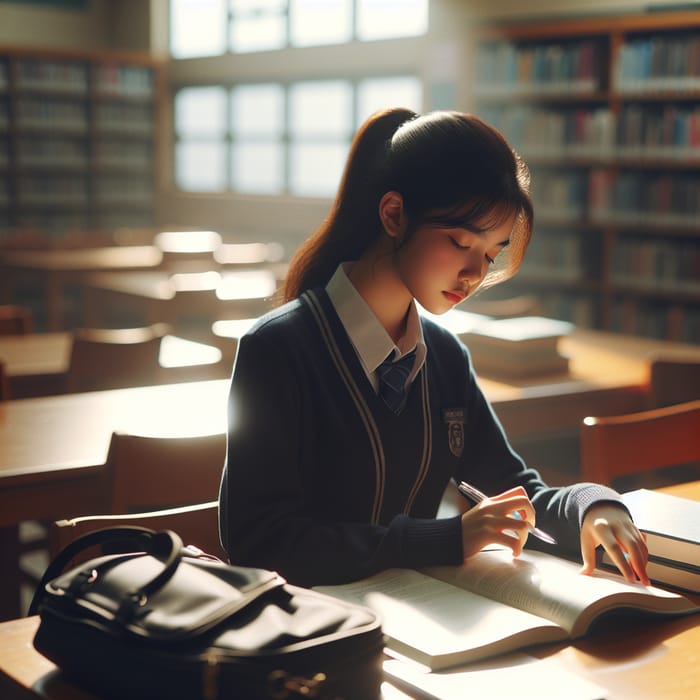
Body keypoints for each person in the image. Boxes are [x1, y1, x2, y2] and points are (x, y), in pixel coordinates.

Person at [219, 107, 649, 588]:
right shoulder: (277, 348)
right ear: (394, 215)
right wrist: (443, 538)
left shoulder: (444, 356)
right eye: (459, 241)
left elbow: (516, 493)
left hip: (420, 621)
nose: (474, 273)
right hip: (313, 634)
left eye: (490, 254)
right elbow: (259, 542)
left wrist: (593, 504)